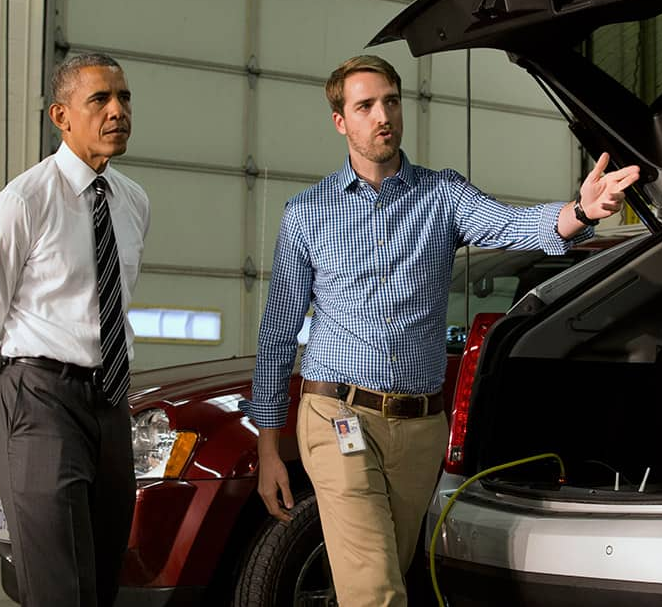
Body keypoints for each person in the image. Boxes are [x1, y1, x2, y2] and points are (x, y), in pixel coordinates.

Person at [241, 54, 639, 606]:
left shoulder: (441, 195)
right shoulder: (306, 213)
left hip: (419, 429)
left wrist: (582, 210)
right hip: (336, 417)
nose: (383, 116)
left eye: (391, 101)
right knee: (377, 592)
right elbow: (278, 335)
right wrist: (267, 450)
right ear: (341, 121)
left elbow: (514, 225)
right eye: (365, 106)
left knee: (380, 580)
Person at [0, 53, 150, 607]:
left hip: (110, 403)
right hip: (37, 398)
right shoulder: (22, 203)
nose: (118, 111)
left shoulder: (133, 203)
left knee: (103, 578)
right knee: (59, 588)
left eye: (125, 98)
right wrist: (12, 426)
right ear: (61, 116)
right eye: (100, 100)